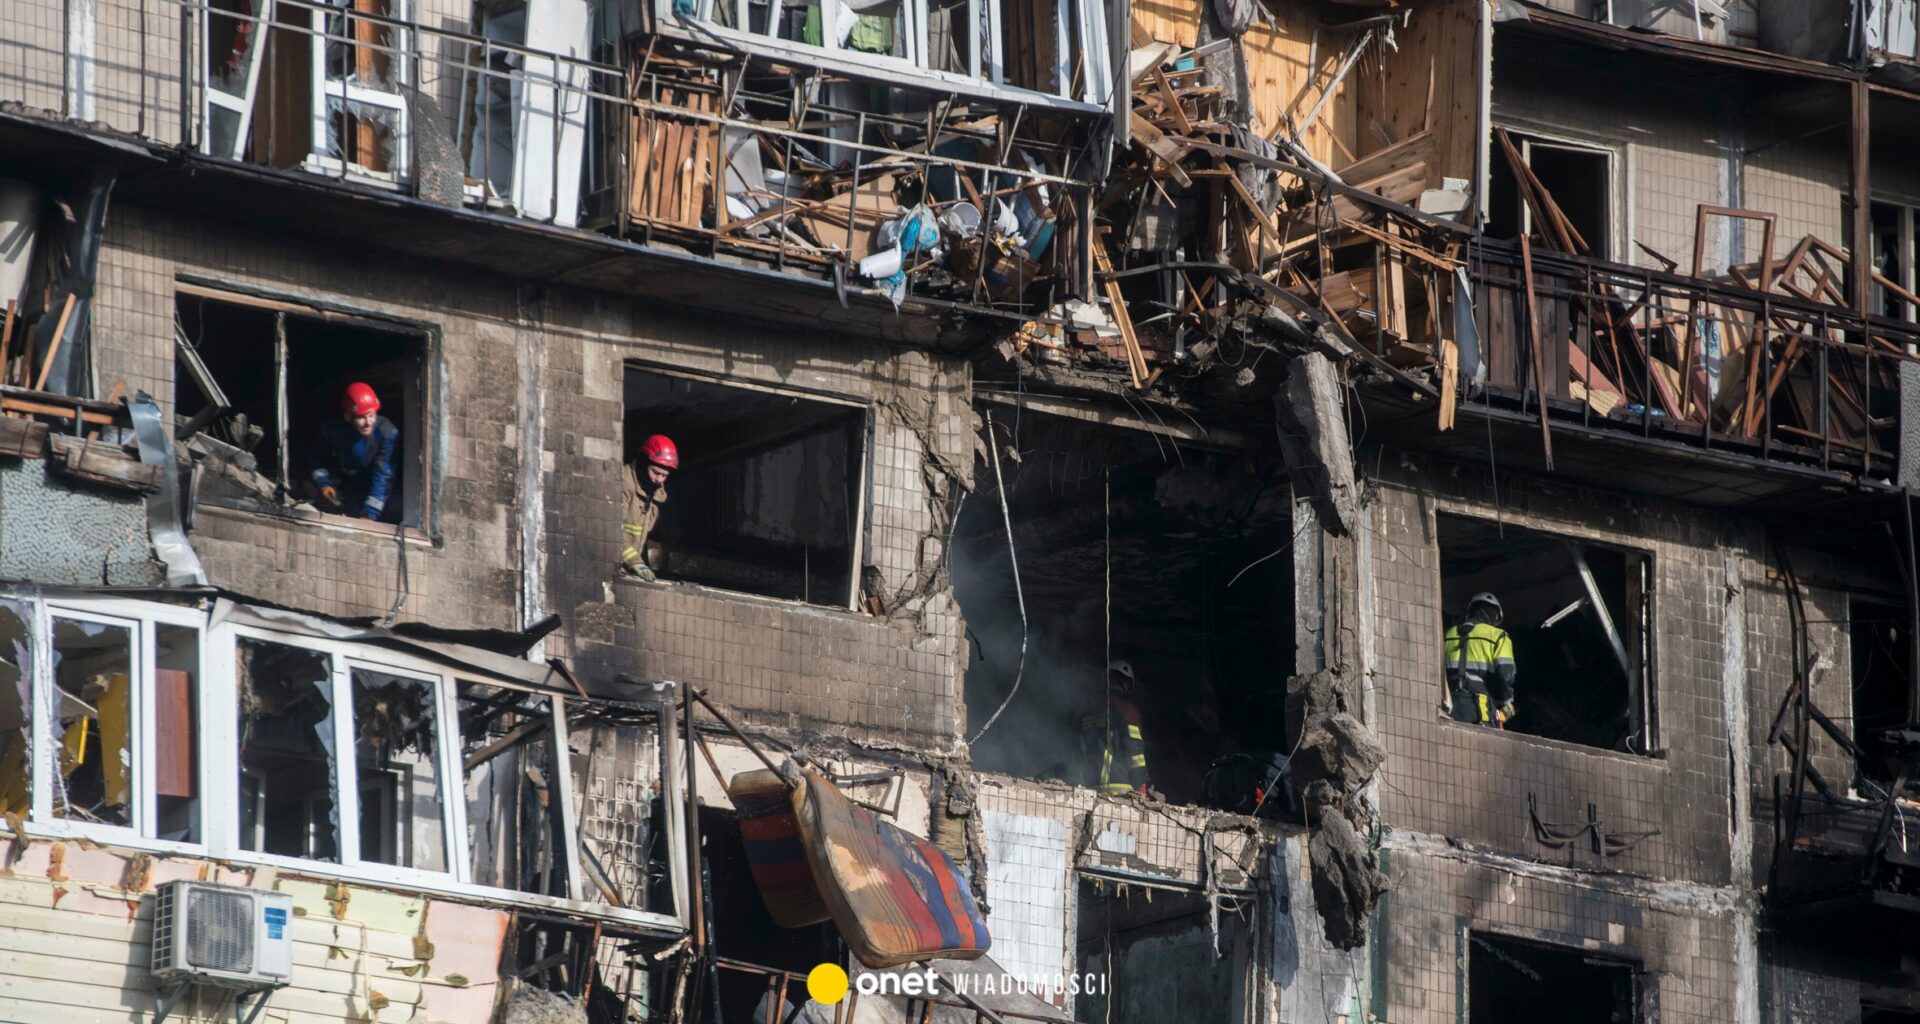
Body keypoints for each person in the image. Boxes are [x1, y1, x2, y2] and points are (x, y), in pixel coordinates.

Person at [311, 382, 398, 521]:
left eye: (371, 415)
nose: (368, 422)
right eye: (361, 417)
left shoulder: (386, 433)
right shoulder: (332, 431)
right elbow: (317, 460)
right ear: (347, 416)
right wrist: (324, 484)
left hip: (380, 492)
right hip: (349, 489)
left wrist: (370, 513)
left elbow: (383, 475)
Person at [1444, 591, 1517, 728]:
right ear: (1496, 616)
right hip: (1479, 710)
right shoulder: (1498, 636)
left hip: (1450, 706)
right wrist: (1506, 703)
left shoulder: (1450, 633)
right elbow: (1506, 675)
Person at [1083, 659, 1151, 796]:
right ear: (1127, 685)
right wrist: (1141, 785)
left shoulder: (1087, 707)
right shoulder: (1128, 711)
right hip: (1119, 790)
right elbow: (1134, 752)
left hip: (1089, 785)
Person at [620, 433, 678, 582]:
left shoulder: (654, 493)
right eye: (655, 472)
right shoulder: (624, 483)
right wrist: (635, 562)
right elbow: (611, 531)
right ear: (644, 462)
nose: (658, 479)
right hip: (610, 564)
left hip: (626, 567)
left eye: (664, 475)